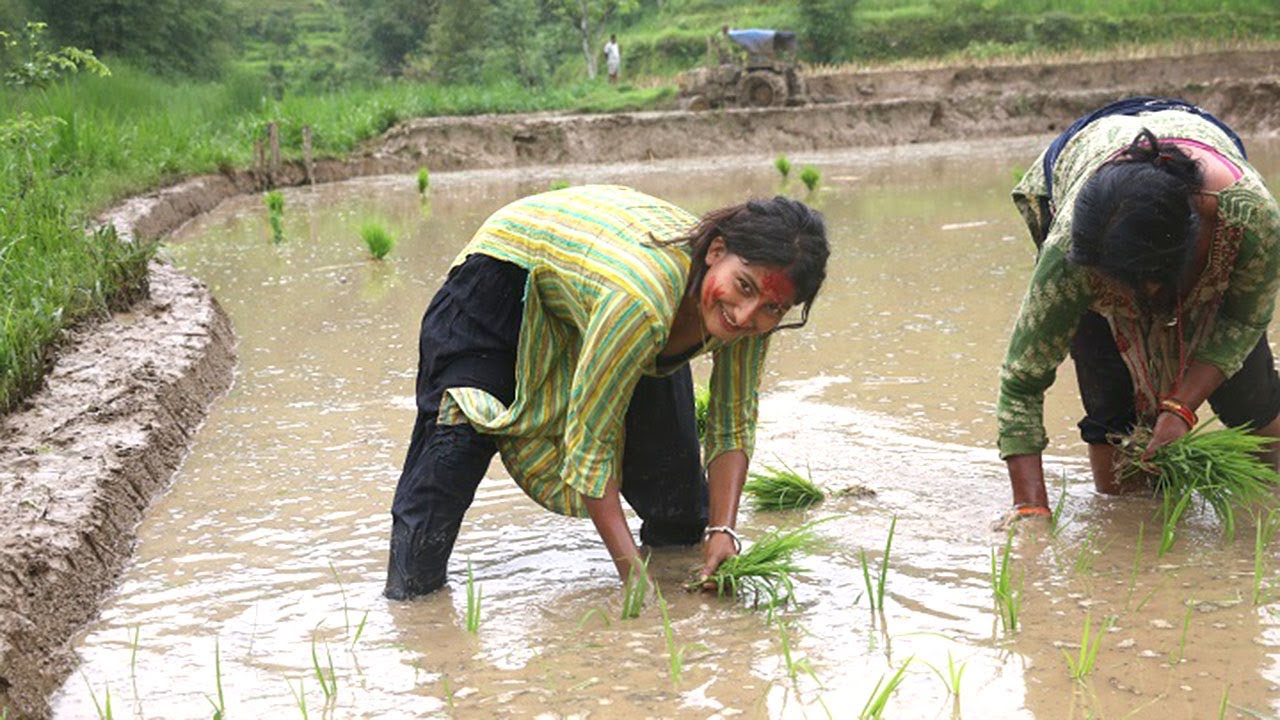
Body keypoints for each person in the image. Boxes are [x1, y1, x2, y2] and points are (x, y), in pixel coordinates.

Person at [385, 184, 829, 599]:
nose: (745, 314)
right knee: (447, 465)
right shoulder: (641, 302)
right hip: (503, 280)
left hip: (602, 294)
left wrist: (722, 532)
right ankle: (413, 615)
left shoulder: (750, 316)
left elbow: (731, 421)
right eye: (744, 287)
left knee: (680, 512)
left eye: (772, 307)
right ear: (715, 252)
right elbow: (590, 443)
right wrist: (633, 580)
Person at [996, 97, 1280, 523]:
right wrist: (1031, 510)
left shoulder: (1251, 218)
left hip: (1193, 170)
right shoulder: (1072, 253)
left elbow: (1242, 318)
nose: (1132, 304)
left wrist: (1180, 408)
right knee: (1112, 400)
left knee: (1250, 395)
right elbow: (1023, 377)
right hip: (1086, 165)